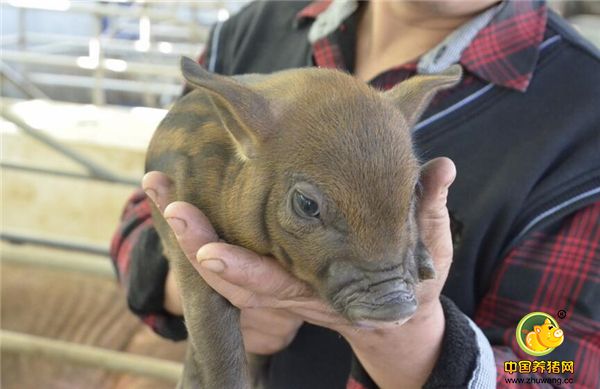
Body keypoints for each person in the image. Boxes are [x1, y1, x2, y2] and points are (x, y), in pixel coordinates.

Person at [110, 1, 600, 388]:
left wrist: (415, 344)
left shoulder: (585, 113)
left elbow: (563, 370)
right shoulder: (251, 31)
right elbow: (143, 215)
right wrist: (197, 289)